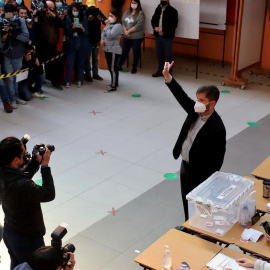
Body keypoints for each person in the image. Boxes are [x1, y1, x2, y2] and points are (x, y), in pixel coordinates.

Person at [163, 62, 226, 221]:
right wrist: (168, 77)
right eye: (197, 98)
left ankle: (202, 230)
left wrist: (208, 181)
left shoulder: (217, 128)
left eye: (201, 99)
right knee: (186, 200)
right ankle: (189, 225)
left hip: (201, 173)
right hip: (186, 166)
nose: (197, 102)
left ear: (212, 103)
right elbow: (181, 96)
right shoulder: (195, 110)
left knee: (201, 206)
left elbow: (218, 159)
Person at [0, 136, 55, 269]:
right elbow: (48, 194)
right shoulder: (21, 185)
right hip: (27, 239)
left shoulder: (4, 172)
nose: (26, 155)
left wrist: (35, 161)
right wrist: (45, 166)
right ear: (16, 159)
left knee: (17, 266)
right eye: (23, 154)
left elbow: (21, 177)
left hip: (10, 232)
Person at [0, 4, 29, 109]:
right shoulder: (1, 21)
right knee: (9, 79)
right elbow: (1, 44)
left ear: (14, 13)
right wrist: (4, 36)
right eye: (6, 14)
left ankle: (15, 97)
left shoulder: (20, 21)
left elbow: (26, 38)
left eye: (11, 14)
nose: (9, 16)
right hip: (7, 54)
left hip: (18, 54)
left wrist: (15, 34)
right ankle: (12, 99)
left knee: (16, 78)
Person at [33, 1, 64, 90]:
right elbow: (34, 27)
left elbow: (62, 24)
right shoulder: (40, 16)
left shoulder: (54, 16)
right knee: (39, 66)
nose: (51, 10)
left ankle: (54, 82)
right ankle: (38, 86)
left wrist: (54, 16)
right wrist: (36, 15)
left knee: (54, 65)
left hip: (52, 45)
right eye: (49, 8)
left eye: (53, 8)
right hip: (41, 46)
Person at [65, 2, 89, 88]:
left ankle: (80, 80)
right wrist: (72, 28)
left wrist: (82, 28)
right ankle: (68, 81)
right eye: (73, 10)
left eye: (76, 10)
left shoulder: (84, 19)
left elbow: (87, 33)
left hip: (81, 42)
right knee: (70, 63)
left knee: (81, 63)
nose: (74, 12)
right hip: (71, 43)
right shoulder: (68, 18)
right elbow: (67, 32)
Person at [151, 0, 178, 77]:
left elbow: (174, 25)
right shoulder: (158, 8)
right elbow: (153, 20)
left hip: (167, 37)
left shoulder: (173, 11)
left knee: (168, 54)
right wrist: (154, 27)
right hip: (158, 36)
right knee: (159, 54)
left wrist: (164, 30)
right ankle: (160, 70)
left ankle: (168, 72)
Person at [117, 0, 144, 74]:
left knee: (136, 52)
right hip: (126, 36)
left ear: (138, 4)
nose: (133, 4)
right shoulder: (127, 12)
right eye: (132, 3)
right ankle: (119, 65)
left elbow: (138, 25)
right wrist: (125, 31)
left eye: (135, 3)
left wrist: (128, 32)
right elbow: (123, 22)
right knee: (124, 51)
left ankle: (134, 67)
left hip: (137, 37)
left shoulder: (140, 13)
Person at [101, 8, 122, 93]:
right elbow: (103, 32)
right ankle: (115, 83)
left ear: (116, 17)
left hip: (114, 50)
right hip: (107, 49)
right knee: (111, 68)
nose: (109, 18)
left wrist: (108, 25)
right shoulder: (109, 26)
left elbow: (110, 35)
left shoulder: (118, 26)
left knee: (113, 68)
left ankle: (113, 86)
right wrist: (102, 39)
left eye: (111, 16)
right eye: (109, 16)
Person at [84, 3, 107, 82]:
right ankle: (88, 74)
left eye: (93, 7)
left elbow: (106, 21)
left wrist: (101, 20)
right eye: (90, 7)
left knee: (95, 57)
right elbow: (81, 23)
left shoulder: (98, 12)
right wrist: (87, 19)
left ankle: (95, 74)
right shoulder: (85, 12)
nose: (92, 9)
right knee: (87, 58)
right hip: (87, 39)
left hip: (96, 39)